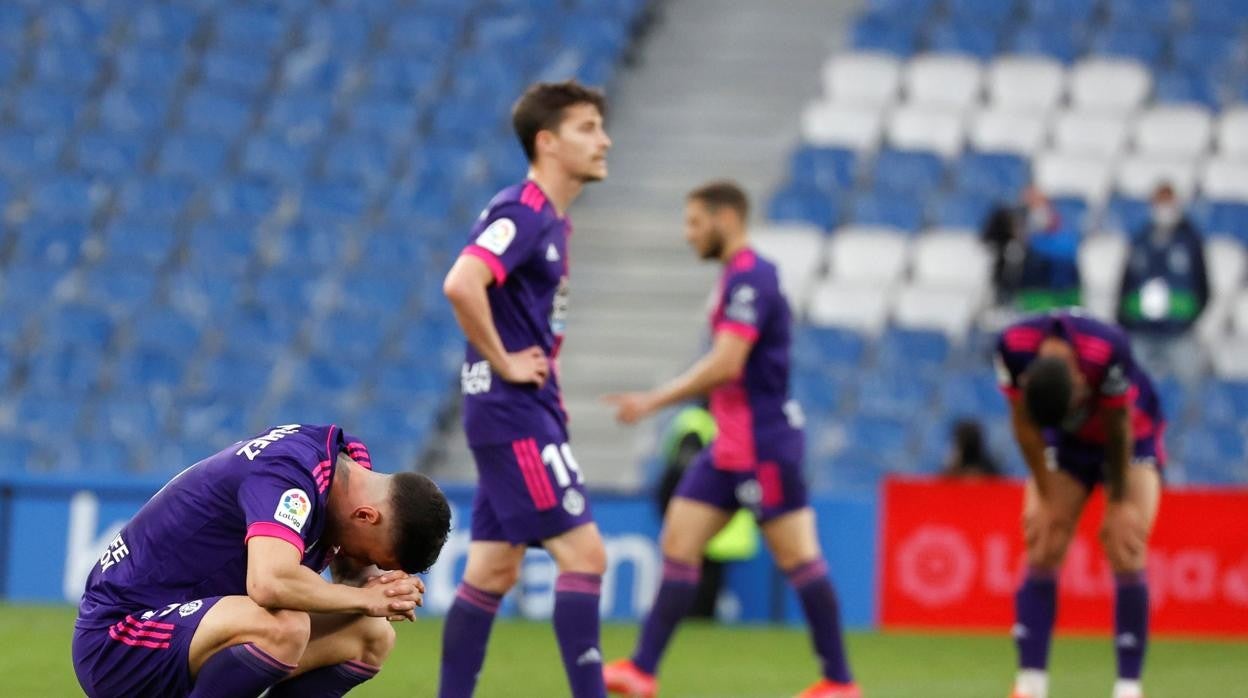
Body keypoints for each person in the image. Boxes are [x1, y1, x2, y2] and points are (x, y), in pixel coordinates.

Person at [601, 181, 860, 698]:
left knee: (799, 558)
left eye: (696, 222)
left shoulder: (752, 278)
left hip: (765, 444)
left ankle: (839, 682)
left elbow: (728, 363)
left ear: (727, 218)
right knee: (679, 539)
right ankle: (642, 670)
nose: (689, 234)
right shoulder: (733, 280)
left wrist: (653, 400)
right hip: (729, 445)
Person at [439, 80, 612, 698]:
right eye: (587, 128)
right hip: (513, 412)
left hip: (518, 410)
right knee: (586, 556)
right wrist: (506, 361)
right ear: (547, 141)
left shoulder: (551, 221)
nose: (604, 140)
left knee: (492, 569)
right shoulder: (526, 212)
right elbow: (462, 282)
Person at [72, 423, 452, 698]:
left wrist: (378, 594)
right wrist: (366, 599)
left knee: (371, 635)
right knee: (284, 626)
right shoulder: (290, 474)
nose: (363, 564)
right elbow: (269, 583)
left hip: (195, 633)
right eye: (371, 557)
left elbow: (350, 586)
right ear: (366, 516)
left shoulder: (350, 469)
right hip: (121, 639)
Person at [995, 310, 1165, 698]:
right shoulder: (1013, 347)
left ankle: (1128, 687)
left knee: (1125, 540)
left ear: (1078, 379)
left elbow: (1118, 424)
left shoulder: (1106, 347)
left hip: (1130, 438)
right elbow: (1023, 425)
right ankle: (1031, 684)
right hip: (1066, 447)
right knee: (1043, 535)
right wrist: (1044, 488)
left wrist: (1119, 499)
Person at [1116, 182, 1210, 384]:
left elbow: (1203, 285)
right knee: (1132, 385)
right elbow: (1126, 282)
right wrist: (1124, 319)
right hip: (1141, 329)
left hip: (1178, 331)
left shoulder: (1190, 240)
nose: (1163, 209)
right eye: (1159, 203)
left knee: (1192, 385)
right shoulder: (1140, 239)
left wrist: (1189, 319)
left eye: (1167, 202)